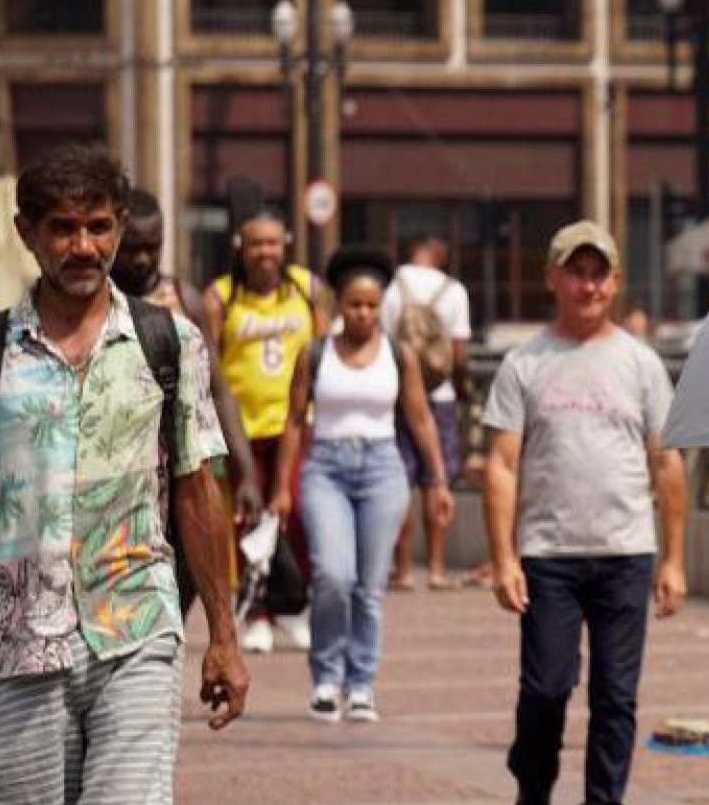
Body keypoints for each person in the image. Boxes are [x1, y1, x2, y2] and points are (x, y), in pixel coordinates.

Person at [0, 145, 248, 805]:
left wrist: (224, 633)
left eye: (98, 225)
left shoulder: (168, 343)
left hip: (137, 627)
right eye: (62, 227)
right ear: (28, 236)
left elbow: (196, 485)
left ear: (120, 228)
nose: (83, 245)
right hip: (16, 639)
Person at [483, 221, 688, 805]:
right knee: (546, 688)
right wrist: (504, 557)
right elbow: (502, 465)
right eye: (577, 270)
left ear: (616, 281)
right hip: (549, 553)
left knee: (615, 696)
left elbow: (668, 463)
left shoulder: (640, 363)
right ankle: (533, 782)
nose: (589, 284)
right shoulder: (526, 364)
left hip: (626, 551)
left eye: (600, 272)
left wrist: (675, 558)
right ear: (554, 277)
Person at [272, 245, 455, 724]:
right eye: (355, 304)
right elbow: (293, 421)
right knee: (333, 577)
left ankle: (362, 683)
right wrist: (281, 488)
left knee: (369, 587)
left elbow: (420, 419)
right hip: (326, 468)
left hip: (382, 470)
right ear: (338, 304)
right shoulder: (314, 352)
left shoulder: (400, 354)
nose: (363, 314)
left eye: (373, 305)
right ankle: (327, 677)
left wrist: (437, 481)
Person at [109, 189, 265, 563]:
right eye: (132, 248)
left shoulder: (183, 299)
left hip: (178, 467)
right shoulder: (95, 301)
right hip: (115, 470)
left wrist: (247, 473)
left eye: (153, 247)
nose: (143, 258)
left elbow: (218, 389)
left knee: (183, 578)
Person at [209, 206, 329, 654]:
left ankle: (293, 606)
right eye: (257, 243)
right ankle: (256, 610)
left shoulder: (308, 288)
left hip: (296, 424)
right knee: (250, 519)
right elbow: (210, 360)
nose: (265, 252)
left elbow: (324, 351)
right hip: (243, 428)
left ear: (286, 246)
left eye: (273, 243)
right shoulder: (221, 297)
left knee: (296, 513)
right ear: (241, 247)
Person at [381, 232, 472, 590]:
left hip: (399, 393)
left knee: (401, 481)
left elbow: (384, 343)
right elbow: (459, 351)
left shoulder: (391, 288)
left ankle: (403, 569)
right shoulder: (454, 290)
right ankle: (436, 567)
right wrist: (462, 385)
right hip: (441, 394)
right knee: (437, 479)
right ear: (436, 250)